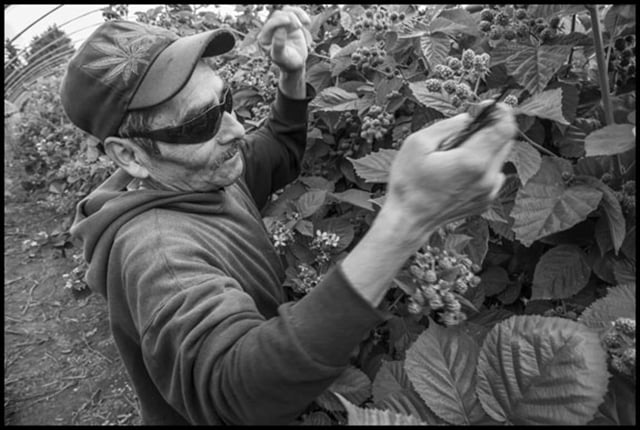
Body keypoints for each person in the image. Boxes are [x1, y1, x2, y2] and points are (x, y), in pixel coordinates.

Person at [60, 6, 516, 425]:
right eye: (200, 123)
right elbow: (236, 389)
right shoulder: (154, 252)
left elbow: (277, 147)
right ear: (129, 155)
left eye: (226, 102)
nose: (236, 130)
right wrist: (406, 221)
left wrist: (292, 73)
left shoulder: (202, 172)